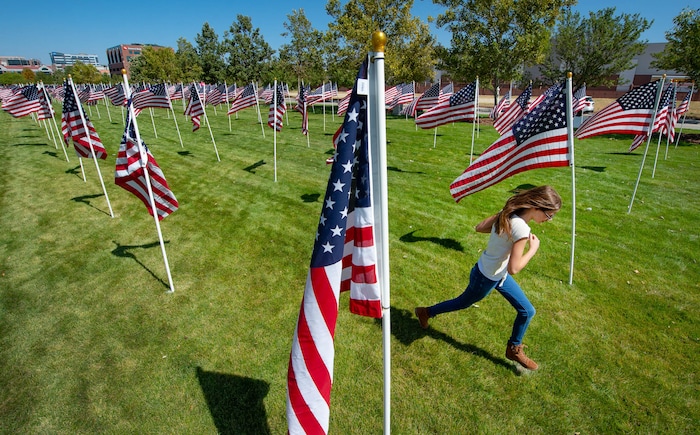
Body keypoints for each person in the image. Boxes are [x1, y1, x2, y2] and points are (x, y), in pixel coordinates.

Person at [414, 185, 562, 370]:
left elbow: (480, 227)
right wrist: (532, 250)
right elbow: (514, 268)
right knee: (462, 302)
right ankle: (425, 312)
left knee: (527, 311)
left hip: (498, 274)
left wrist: (502, 219)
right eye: (549, 215)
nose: (549, 219)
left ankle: (513, 349)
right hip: (486, 277)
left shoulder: (508, 214)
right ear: (536, 206)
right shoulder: (521, 229)